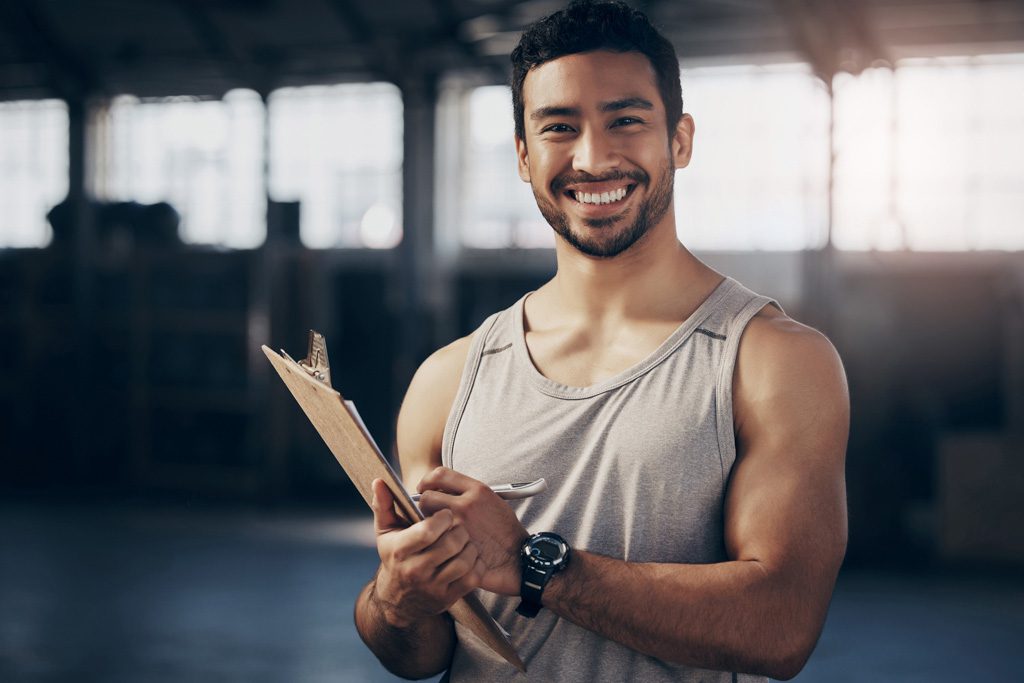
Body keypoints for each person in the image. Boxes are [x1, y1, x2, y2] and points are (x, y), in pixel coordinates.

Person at [354, 1, 849, 680]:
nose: (594, 158)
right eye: (560, 127)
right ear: (524, 158)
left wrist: (535, 565)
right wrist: (395, 600)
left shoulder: (773, 361)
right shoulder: (448, 381)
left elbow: (782, 625)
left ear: (680, 139)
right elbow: (426, 650)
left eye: (626, 120)